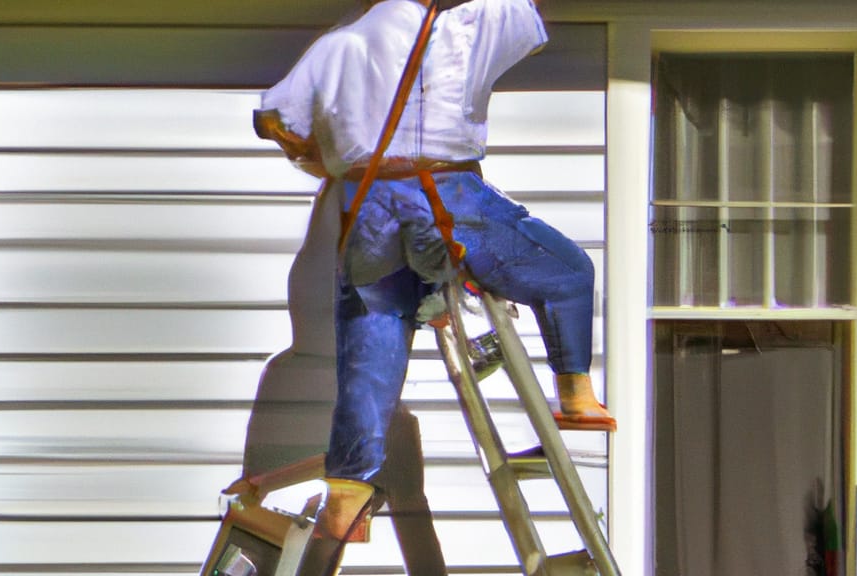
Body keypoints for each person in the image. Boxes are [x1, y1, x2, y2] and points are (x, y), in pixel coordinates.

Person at [253, 0, 616, 560]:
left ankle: (346, 499)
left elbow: (273, 117)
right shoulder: (465, 27)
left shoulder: (337, 44)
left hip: (366, 201)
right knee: (569, 272)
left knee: (371, 352)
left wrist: (320, 156)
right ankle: (575, 394)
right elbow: (527, 19)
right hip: (446, 194)